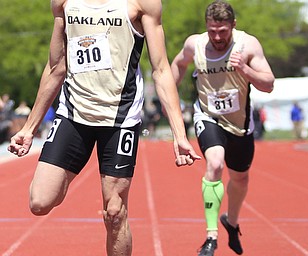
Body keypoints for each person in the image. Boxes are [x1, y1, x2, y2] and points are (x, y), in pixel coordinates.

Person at [7, 0, 201, 255]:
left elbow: (162, 69)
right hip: (74, 114)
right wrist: (29, 128)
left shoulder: (142, 4)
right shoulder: (63, 3)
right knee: (40, 201)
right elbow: (56, 67)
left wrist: (179, 134)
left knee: (115, 212)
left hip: (120, 119)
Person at [171, 1, 274, 255]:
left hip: (240, 124)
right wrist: (169, 96)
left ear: (233, 26)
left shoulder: (248, 45)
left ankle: (232, 221)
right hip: (208, 116)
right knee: (214, 163)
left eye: (223, 31)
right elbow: (177, 65)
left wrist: (245, 69)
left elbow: (269, 84)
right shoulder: (194, 44)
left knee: (240, 178)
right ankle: (211, 236)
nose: (217, 37)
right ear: (206, 27)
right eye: (212, 31)